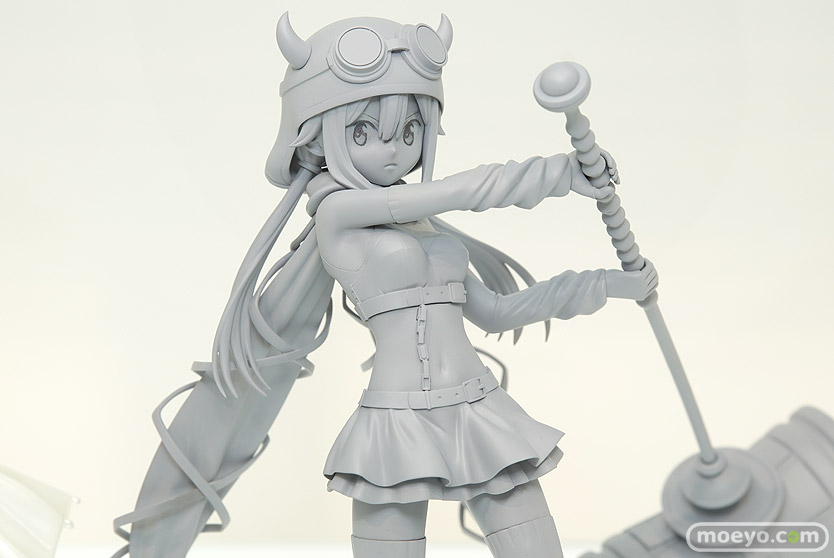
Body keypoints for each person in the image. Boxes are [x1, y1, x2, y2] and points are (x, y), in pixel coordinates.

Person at [113, 14, 657, 558]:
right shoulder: (338, 214)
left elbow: (497, 311)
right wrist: (558, 174)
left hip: (479, 409)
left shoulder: (426, 228)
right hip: (394, 425)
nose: (392, 150)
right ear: (319, 134)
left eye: (409, 132)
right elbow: (459, 192)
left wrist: (608, 284)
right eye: (363, 132)